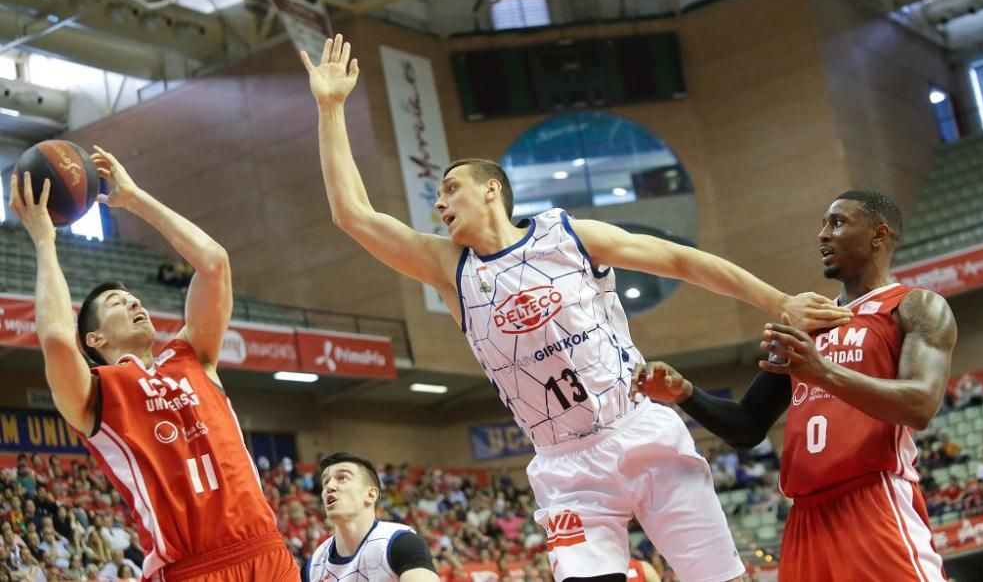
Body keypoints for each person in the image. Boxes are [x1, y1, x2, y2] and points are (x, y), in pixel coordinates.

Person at [300, 34, 851, 582]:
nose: (440, 204)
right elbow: (353, 214)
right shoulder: (451, 268)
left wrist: (779, 301)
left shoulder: (566, 236)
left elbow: (681, 260)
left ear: (492, 190)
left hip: (637, 428)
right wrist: (330, 109)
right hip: (564, 464)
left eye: (451, 189)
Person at [9, 149, 299, 581]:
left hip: (267, 554)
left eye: (131, 296)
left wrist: (136, 199)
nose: (132, 300)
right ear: (95, 339)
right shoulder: (96, 393)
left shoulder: (193, 357)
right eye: (115, 302)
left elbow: (214, 264)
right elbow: (53, 337)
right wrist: (44, 240)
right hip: (192, 569)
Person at [636, 191, 956, 582]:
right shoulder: (809, 323)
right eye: (822, 224)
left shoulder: (913, 306)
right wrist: (685, 392)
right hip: (805, 519)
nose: (823, 235)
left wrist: (822, 372)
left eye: (837, 223)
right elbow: (747, 425)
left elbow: (921, 404)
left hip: (874, 500)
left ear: (879, 235)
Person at [302, 452, 439, 582]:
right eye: (325, 482)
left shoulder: (399, 542)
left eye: (342, 478)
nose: (329, 487)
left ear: (371, 494)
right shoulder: (312, 567)